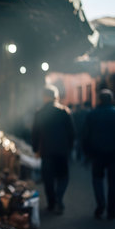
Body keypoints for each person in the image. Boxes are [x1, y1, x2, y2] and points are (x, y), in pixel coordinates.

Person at [82, 89, 115, 220]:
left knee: (97, 180)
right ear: (112, 100)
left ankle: (101, 204)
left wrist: (87, 153)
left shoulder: (92, 115)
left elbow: (85, 136)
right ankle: (111, 210)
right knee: (113, 183)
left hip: (97, 154)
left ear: (99, 100)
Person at [31, 84, 75, 214]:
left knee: (48, 178)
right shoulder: (64, 111)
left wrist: (36, 150)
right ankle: (59, 197)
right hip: (62, 151)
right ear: (55, 97)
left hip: (46, 151)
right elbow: (72, 133)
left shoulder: (39, 113)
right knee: (63, 176)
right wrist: (69, 148)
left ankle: (51, 202)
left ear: (44, 97)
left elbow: (35, 134)